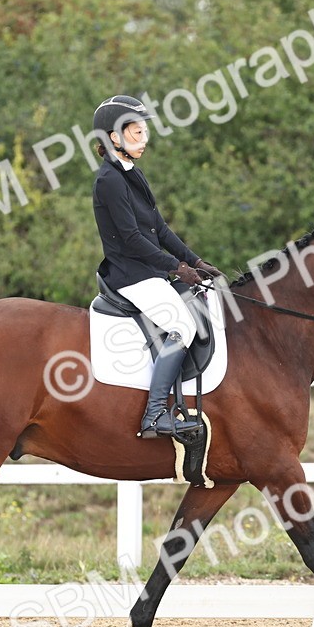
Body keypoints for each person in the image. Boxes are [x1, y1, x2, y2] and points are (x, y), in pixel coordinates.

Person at [90, 94, 223, 438]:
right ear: (114, 138)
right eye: (136, 131)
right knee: (183, 324)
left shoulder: (134, 173)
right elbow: (133, 238)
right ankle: (154, 415)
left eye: (144, 131)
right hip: (129, 275)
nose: (143, 139)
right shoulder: (109, 180)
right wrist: (177, 268)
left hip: (147, 270)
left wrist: (194, 260)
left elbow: (159, 229)